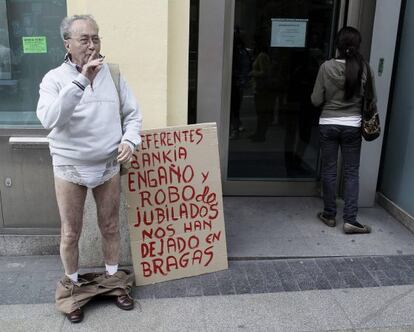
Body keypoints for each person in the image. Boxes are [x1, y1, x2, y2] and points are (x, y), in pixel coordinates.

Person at [36, 15, 142, 323]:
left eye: (96, 38)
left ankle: (114, 282)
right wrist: (81, 80)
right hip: (70, 166)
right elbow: (50, 119)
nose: (92, 45)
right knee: (71, 233)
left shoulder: (114, 74)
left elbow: (133, 114)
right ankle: (73, 288)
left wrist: (129, 140)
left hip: (108, 164)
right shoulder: (53, 79)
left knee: (110, 227)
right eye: (85, 40)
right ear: (67, 43)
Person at [311, 26, 375, 234]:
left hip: (328, 123)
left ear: (338, 45)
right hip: (353, 127)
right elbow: (371, 100)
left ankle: (329, 215)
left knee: (329, 170)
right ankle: (350, 220)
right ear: (357, 45)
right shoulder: (365, 68)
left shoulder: (326, 67)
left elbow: (316, 100)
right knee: (351, 172)